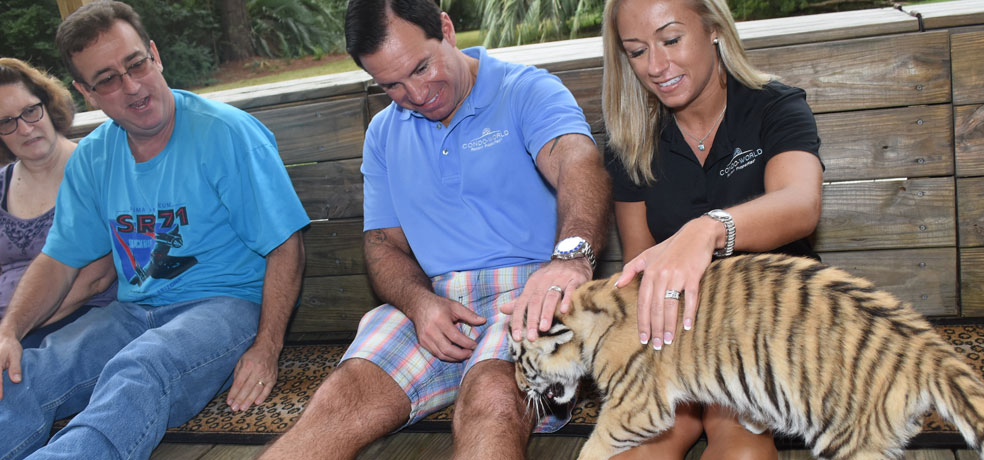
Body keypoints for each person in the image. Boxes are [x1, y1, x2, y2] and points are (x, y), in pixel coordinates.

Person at [258, 0, 610, 459]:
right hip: (431, 300)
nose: (417, 95)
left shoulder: (525, 91)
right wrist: (420, 303)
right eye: (391, 85)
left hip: (529, 296)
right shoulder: (384, 133)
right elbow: (382, 244)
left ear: (446, 28)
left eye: (421, 67)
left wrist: (569, 259)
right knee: (340, 398)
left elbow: (578, 162)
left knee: (493, 398)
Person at [0, 1, 310, 458]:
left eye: (136, 64)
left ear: (155, 54)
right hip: (132, 314)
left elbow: (287, 245)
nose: (131, 86)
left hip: (223, 307)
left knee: (140, 369)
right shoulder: (94, 158)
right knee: (32, 370)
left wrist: (267, 347)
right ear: (86, 91)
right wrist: (9, 330)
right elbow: (59, 260)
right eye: (107, 79)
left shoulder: (223, 133)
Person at [601, 0, 824, 458]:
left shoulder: (774, 106)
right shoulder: (630, 140)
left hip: (766, 316)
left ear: (715, 29)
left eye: (671, 40)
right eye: (637, 51)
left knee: (736, 434)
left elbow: (801, 204)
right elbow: (639, 265)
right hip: (675, 323)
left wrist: (707, 230)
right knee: (644, 443)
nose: (656, 66)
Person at [0, 58, 117, 348]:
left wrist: (13, 330)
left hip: (77, 322)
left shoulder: (96, 171)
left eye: (30, 111)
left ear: (48, 105)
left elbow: (97, 278)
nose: (25, 129)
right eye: (6, 122)